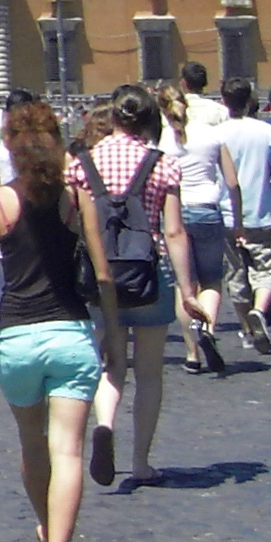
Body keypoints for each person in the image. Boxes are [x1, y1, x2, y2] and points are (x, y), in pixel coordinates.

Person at [0, 98, 120, 542]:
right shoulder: (74, 200)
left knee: (32, 444)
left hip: (18, 338)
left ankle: (47, 530)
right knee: (68, 450)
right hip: (70, 334)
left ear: (12, 150)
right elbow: (103, 275)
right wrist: (113, 335)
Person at [82, 86, 205, 489]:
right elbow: (174, 231)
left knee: (111, 365)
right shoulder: (162, 165)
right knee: (150, 373)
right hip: (150, 273)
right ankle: (140, 462)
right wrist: (187, 290)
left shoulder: (84, 163)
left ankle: (104, 424)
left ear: (114, 117)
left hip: (102, 275)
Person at [209, 80, 271, 357]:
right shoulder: (266, 131)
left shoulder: (216, 134)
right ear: (251, 100)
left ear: (224, 101)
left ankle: (247, 330)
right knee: (265, 270)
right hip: (262, 211)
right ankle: (259, 310)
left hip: (227, 213)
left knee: (235, 273)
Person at [170, 63, 236, 375]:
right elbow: (232, 181)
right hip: (208, 209)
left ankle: (192, 353)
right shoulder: (214, 130)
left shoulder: (166, 138)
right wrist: (237, 217)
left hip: (176, 211)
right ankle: (207, 329)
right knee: (211, 279)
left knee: (184, 284)